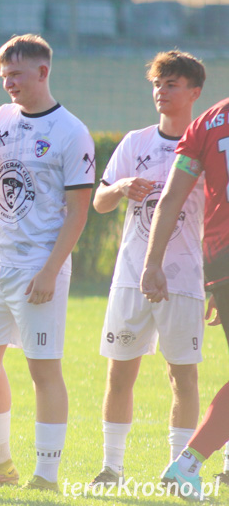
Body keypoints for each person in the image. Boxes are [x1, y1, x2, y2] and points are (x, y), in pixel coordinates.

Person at [0, 34, 94, 492]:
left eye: (16, 74)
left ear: (43, 72)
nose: (8, 83)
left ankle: (47, 475)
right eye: (3, 76)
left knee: (43, 369)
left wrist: (51, 270)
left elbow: (78, 212)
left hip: (40, 266)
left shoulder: (71, 132)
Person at [89, 51, 206, 490]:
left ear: (194, 92)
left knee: (183, 375)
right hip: (130, 277)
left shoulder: (203, 145)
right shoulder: (136, 142)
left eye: (171, 84)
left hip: (185, 280)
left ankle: (178, 470)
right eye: (157, 84)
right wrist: (119, 188)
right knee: (120, 372)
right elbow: (100, 203)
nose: (161, 92)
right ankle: (111, 468)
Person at [141, 93, 229, 500]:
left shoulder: (208, 122)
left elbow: (172, 197)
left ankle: (191, 463)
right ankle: (188, 464)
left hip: (221, 260)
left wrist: (152, 262)